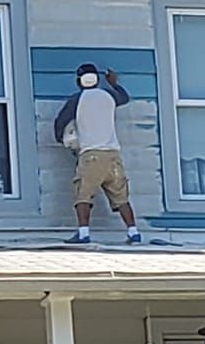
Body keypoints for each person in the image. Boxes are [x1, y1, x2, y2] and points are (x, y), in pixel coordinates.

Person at [53, 63, 143, 244]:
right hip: (113, 155)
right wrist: (114, 83)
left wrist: (61, 138)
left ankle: (84, 233)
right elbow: (124, 98)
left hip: (91, 155)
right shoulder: (109, 96)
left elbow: (61, 122)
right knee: (121, 197)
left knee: (83, 194)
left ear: (79, 81)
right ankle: (133, 232)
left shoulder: (77, 99)